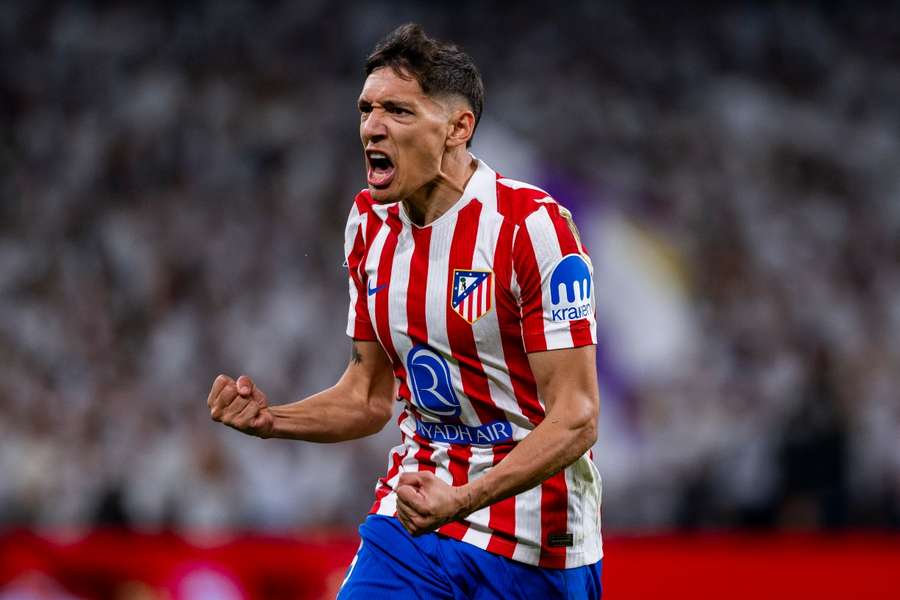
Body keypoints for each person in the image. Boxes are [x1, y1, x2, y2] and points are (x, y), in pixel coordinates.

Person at [207, 23, 603, 599]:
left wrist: (465, 497)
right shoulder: (368, 223)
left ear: (457, 128)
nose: (372, 126)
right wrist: (274, 421)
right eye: (367, 108)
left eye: (398, 110)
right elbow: (368, 397)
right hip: (414, 518)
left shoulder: (531, 227)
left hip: (536, 542)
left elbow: (577, 416)